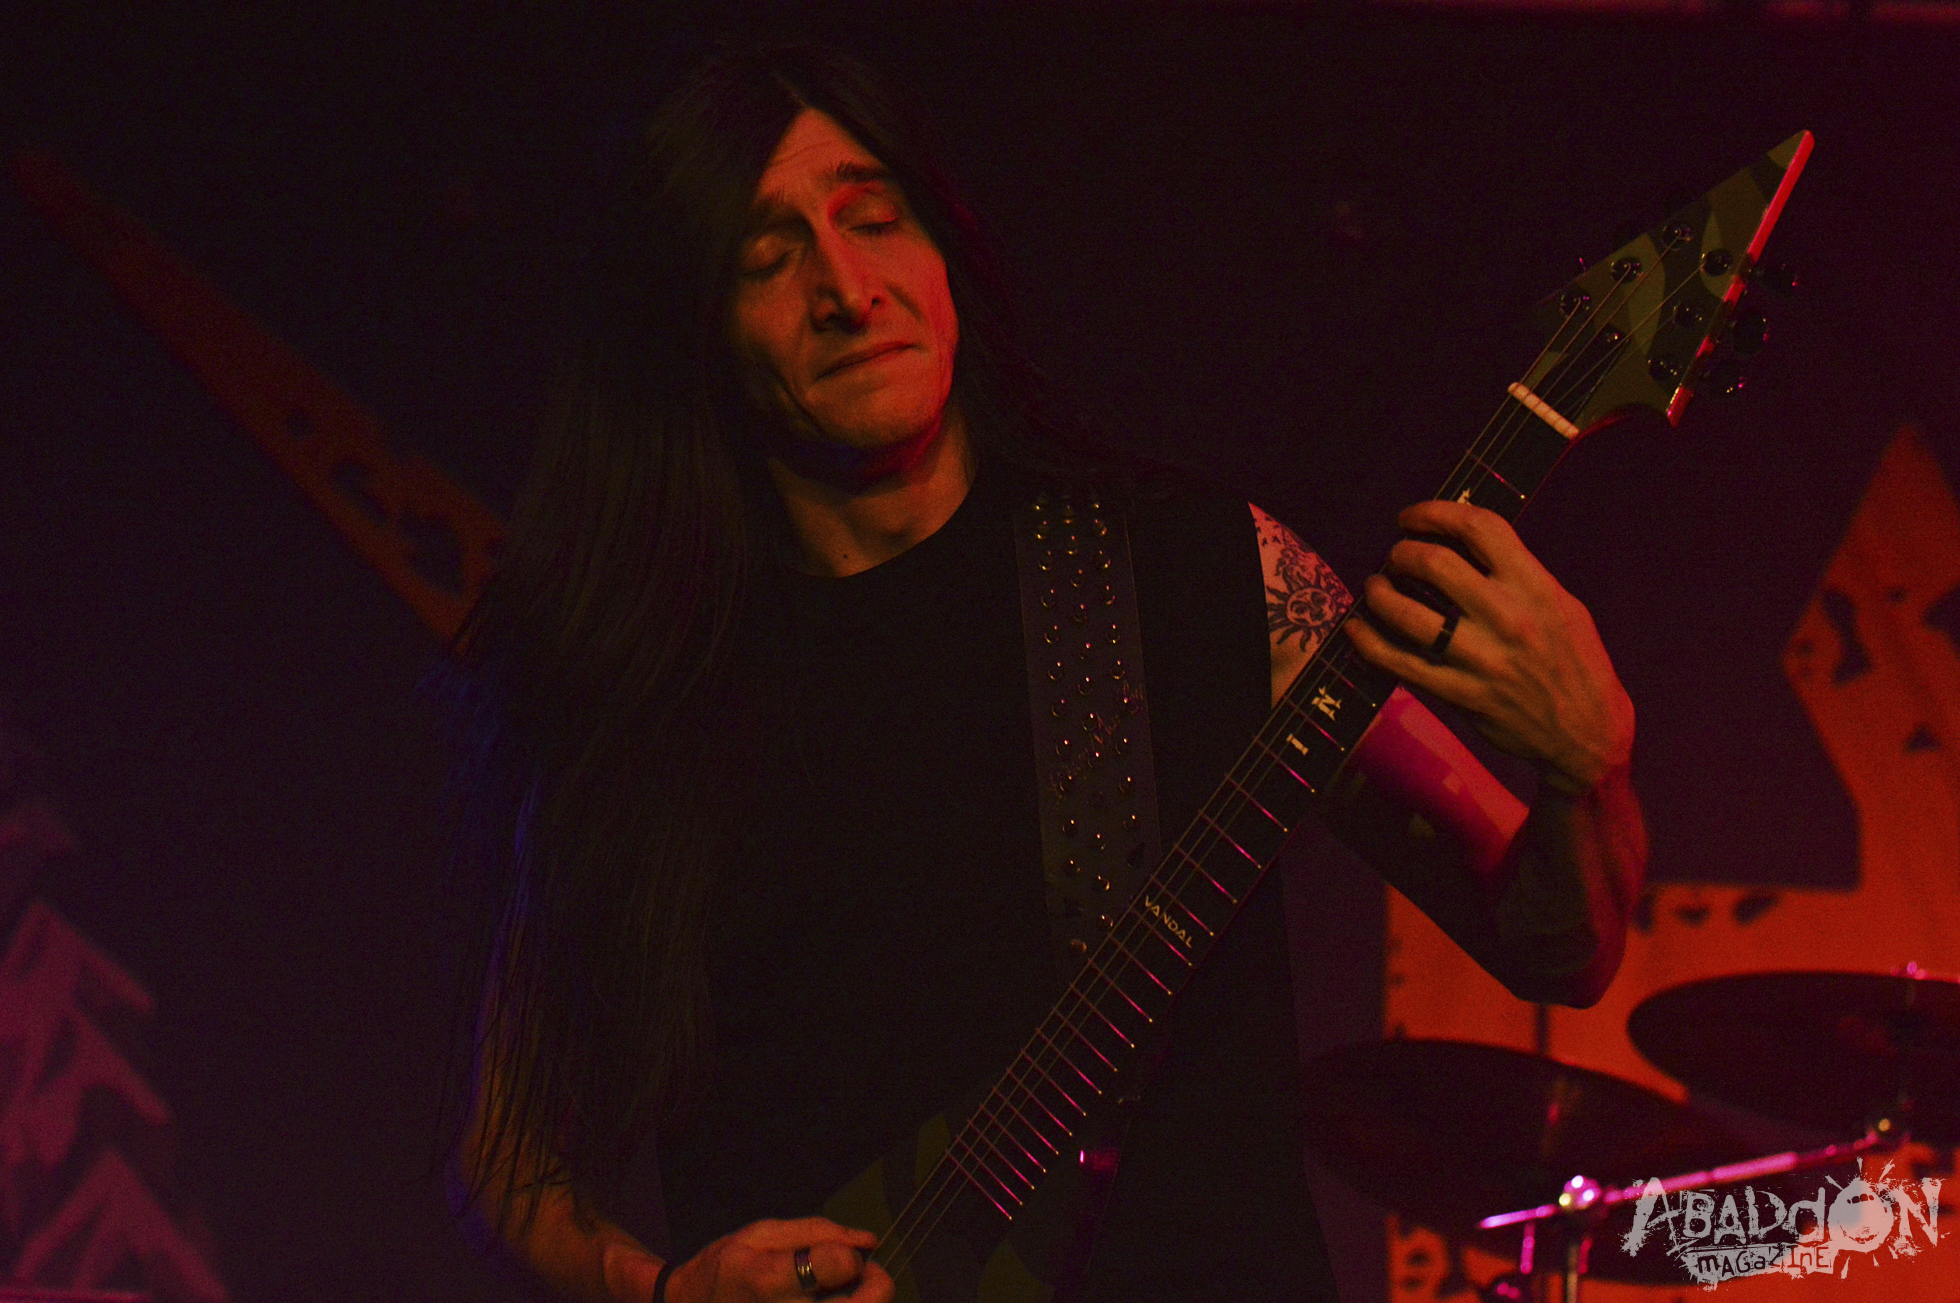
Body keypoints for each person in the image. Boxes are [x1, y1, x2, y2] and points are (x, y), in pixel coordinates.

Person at [447, 40, 1644, 1303]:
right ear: (694, 329)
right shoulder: (641, 691)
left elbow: (1554, 948)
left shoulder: (1204, 573)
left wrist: (1591, 769)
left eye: (874, 219)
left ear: (945, 250)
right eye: (766, 258)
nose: (846, 288)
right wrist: (662, 1291)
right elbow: (508, 1154)